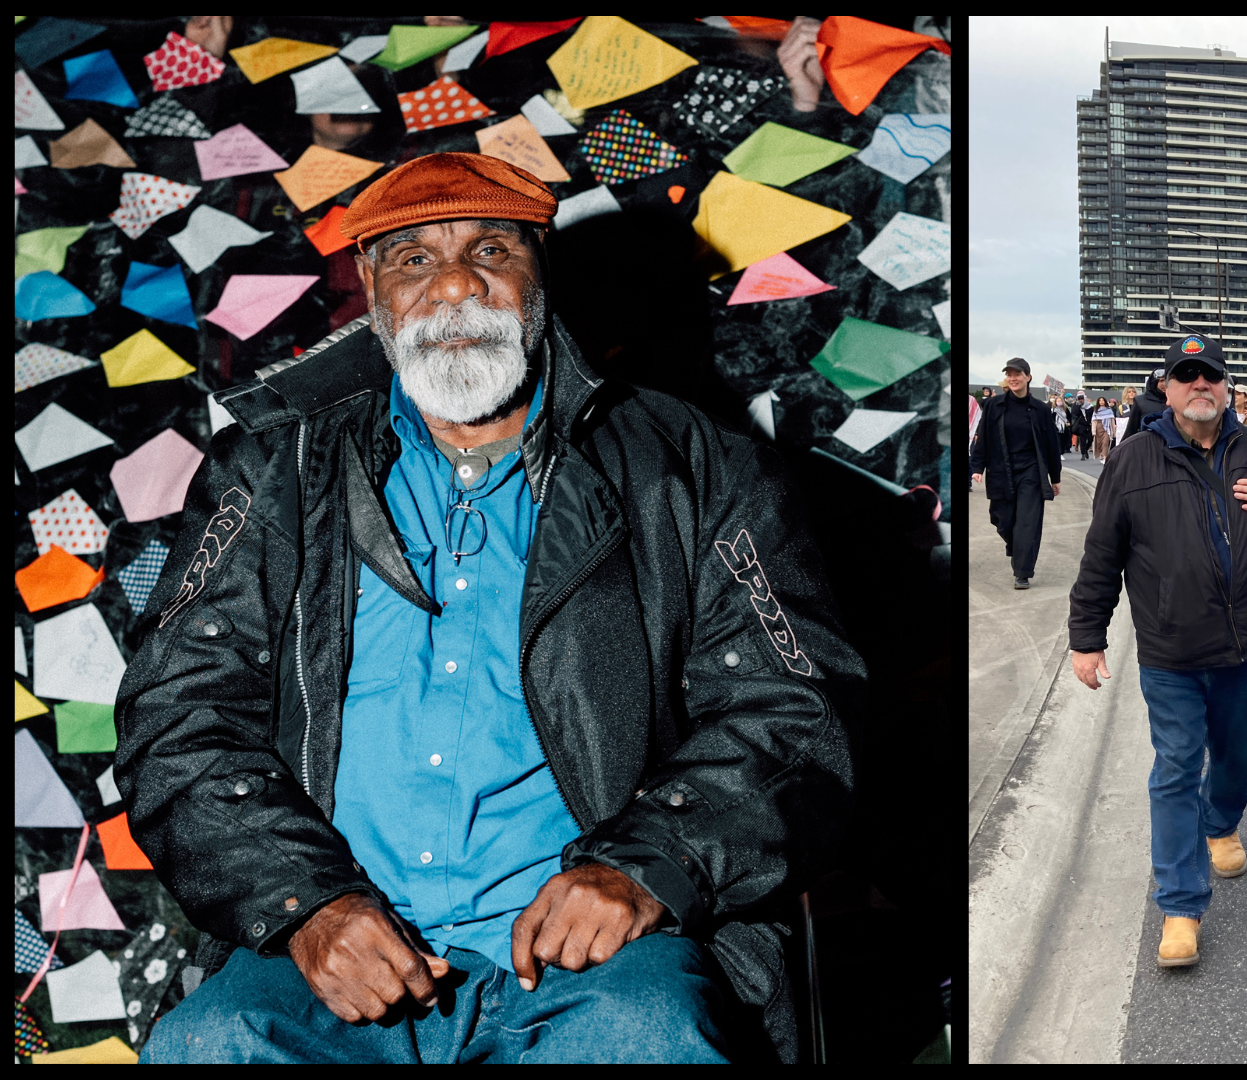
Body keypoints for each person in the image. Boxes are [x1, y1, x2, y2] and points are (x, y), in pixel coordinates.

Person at [121, 154, 861, 1065]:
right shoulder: (270, 474)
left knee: (648, 1033)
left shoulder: (698, 469)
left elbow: (797, 712)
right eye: (414, 261)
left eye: (490, 249)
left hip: (597, 961)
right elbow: (177, 716)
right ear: (373, 292)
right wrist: (302, 904)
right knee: (210, 1045)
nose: (457, 284)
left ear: (538, 276)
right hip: (334, 959)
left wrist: (646, 867)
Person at [1066, 332, 1247, 969]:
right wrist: (1086, 636)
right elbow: (1102, 553)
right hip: (1172, 650)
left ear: (1226, 384)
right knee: (1177, 766)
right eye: (1186, 377)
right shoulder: (1133, 459)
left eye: (1209, 374)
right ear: (1167, 388)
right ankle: (1181, 905)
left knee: (1237, 756)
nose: (1199, 386)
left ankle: (1221, 820)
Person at [971, 358, 1064, 589]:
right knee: (1002, 519)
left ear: (1027, 377)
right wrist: (976, 467)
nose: (1013, 378)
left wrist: (1056, 477)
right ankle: (1018, 547)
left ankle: (1022, 572)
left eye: (1018, 374)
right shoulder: (994, 405)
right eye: (1010, 374)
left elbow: (1052, 444)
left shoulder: (1041, 409)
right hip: (1001, 468)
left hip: (1031, 470)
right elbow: (983, 438)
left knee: (1027, 522)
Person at [1124, 368, 1168, 440]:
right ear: (1154, 382)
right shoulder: (1140, 401)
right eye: (1161, 381)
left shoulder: (1175, 400)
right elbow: (1131, 429)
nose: (1165, 384)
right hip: (1147, 445)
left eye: (1167, 380)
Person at [1070, 393, 1094, 460]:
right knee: (1082, 439)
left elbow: (1093, 414)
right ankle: (1083, 454)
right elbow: (1074, 414)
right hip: (1081, 424)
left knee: (1090, 439)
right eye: (1079, 399)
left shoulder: (1090, 407)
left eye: (1082, 399)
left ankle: (1086, 449)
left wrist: (1092, 422)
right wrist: (1078, 406)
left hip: (1089, 425)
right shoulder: (1077, 406)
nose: (1081, 400)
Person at [1092, 396, 1116, 460]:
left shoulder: (1109, 410)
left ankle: (1105, 456)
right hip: (1098, 428)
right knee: (1099, 443)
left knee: (1106, 442)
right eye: (1100, 401)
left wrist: (1113, 431)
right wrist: (1093, 431)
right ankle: (1102, 454)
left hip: (1107, 428)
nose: (1101, 402)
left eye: (1103, 400)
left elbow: (1112, 421)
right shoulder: (1096, 411)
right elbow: (1094, 421)